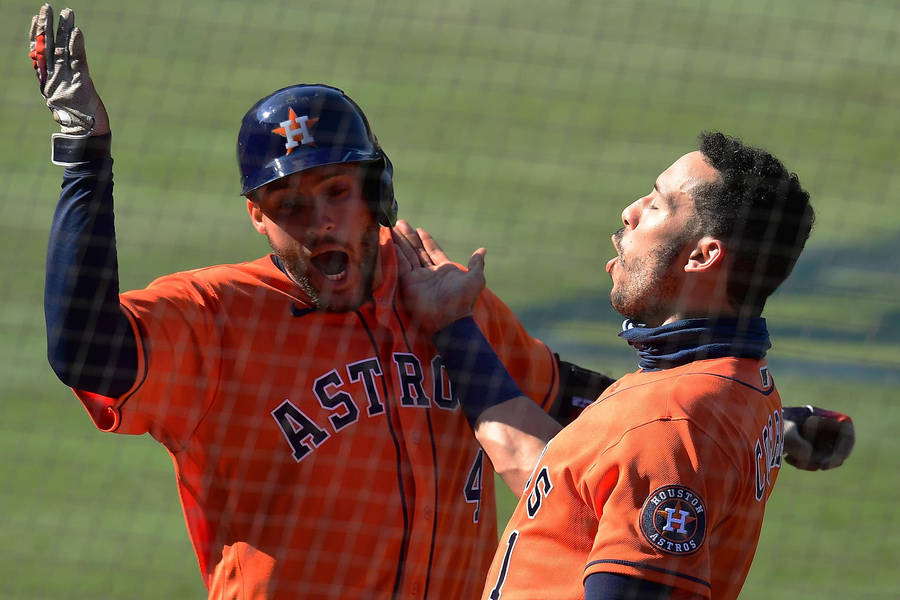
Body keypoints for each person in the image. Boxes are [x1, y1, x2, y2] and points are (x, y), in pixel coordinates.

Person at [29, 4, 853, 599]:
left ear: (376, 193)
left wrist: (753, 425)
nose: (321, 222)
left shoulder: (432, 293)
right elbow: (89, 355)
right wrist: (83, 159)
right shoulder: (217, 318)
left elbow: (572, 408)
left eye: (339, 192)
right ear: (256, 216)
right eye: (289, 205)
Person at [391, 133, 855, 599]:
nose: (630, 211)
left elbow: (657, 449)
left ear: (702, 255)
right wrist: (453, 327)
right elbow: (556, 483)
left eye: (658, 204)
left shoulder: (669, 422)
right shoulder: (732, 384)